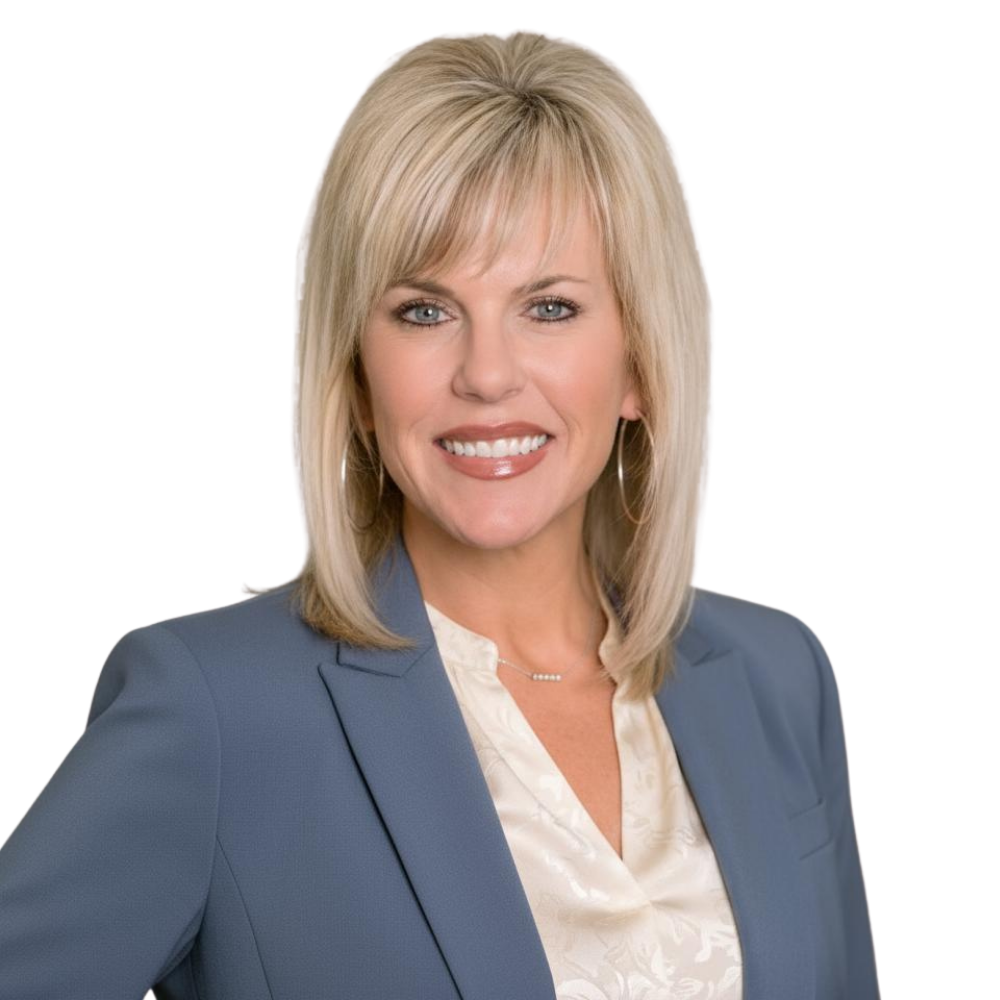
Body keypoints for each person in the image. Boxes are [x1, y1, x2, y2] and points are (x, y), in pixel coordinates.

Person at [0, 30, 880, 1000]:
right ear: (357, 371)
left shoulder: (773, 679)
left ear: (639, 360)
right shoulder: (220, 712)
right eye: (424, 310)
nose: (486, 373)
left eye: (548, 307)